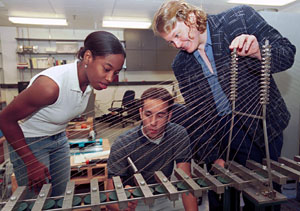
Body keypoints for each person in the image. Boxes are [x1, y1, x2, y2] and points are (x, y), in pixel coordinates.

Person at [153, 1, 296, 210]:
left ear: (191, 18)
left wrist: (259, 52)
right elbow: (199, 117)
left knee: (264, 198)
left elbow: (287, 53)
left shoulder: (240, 19)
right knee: (223, 199)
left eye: (177, 35)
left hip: (262, 128)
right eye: (170, 42)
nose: (176, 44)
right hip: (224, 136)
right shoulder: (181, 65)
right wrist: (213, 156)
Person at [0, 31, 126, 198]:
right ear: (88, 57)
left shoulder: (89, 82)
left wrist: (60, 125)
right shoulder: (49, 86)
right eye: (107, 69)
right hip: (30, 143)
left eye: (115, 73)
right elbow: (5, 119)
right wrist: (30, 162)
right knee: (38, 201)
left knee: (61, 197)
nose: (110, 78)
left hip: (58, 140)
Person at [106, 87, 198, 211]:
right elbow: (109, 198)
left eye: (160, 115)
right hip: (135, 200)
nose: (153, 122)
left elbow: (186, 181)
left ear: (169, 116)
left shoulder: (178, 134)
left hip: (164, 195)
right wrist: (122, 205)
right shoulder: (123, 142)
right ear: (140, 112)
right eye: (148, 114)